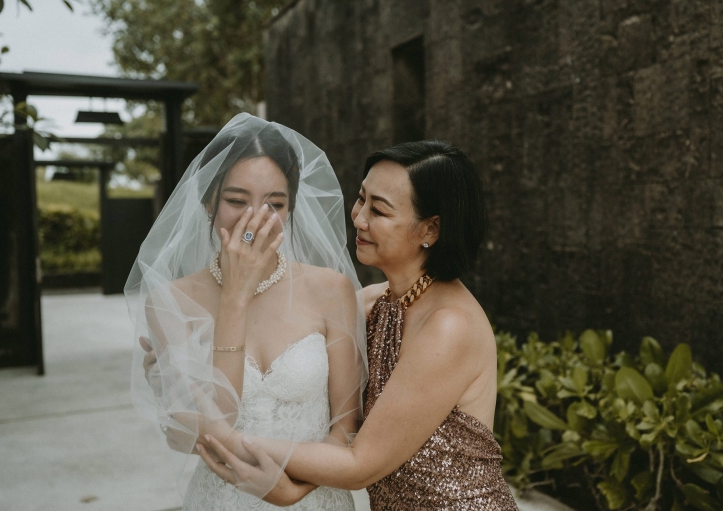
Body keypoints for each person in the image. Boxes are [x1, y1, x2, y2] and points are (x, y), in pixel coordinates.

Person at [199, 140, 519, 510]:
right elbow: (333, 410)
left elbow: (359, 464)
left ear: (430, 229)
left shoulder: (449, 326)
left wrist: (224, 439)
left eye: (379, 211)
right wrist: (178, 362)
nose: (359, 218)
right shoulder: (371, 302)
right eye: (361, 198)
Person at [126, 113, 367, 511]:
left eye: (275, 203)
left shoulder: (331, 290)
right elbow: (218, 421)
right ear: (208, 202)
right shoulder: (170, 301)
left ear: (291, 208)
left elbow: (345, 427)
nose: (255, 220)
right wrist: (235, 296)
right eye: (237, 201)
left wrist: (293, 490)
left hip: (319, 499)